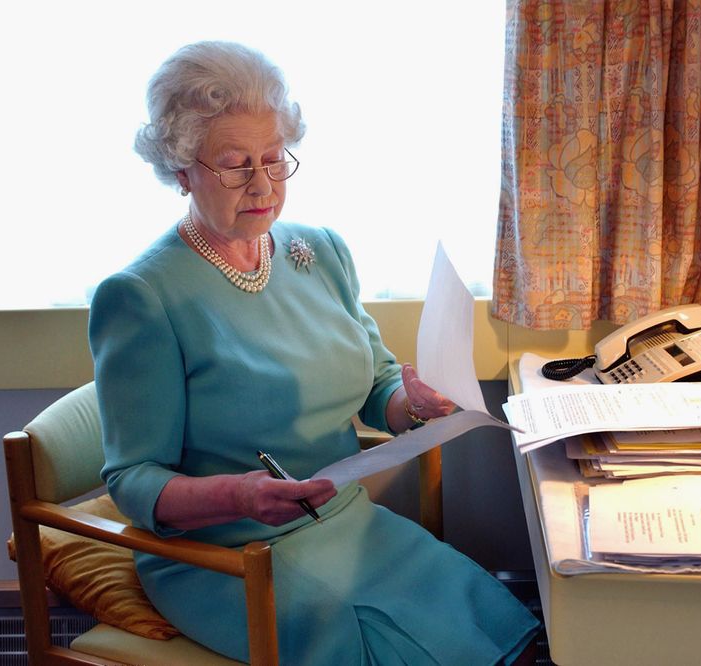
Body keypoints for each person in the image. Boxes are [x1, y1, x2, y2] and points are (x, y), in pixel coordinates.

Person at [88, 41, 539, 664]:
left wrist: (415, 402)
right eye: (234, 163)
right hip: (231, 552)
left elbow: (378, 384)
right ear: (182, 167)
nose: (262, 183)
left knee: (498, 630)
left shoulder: (319, 250)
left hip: (347, 523)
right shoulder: (140, 297)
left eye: (274, 158)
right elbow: (134, 480)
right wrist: (241, 497)